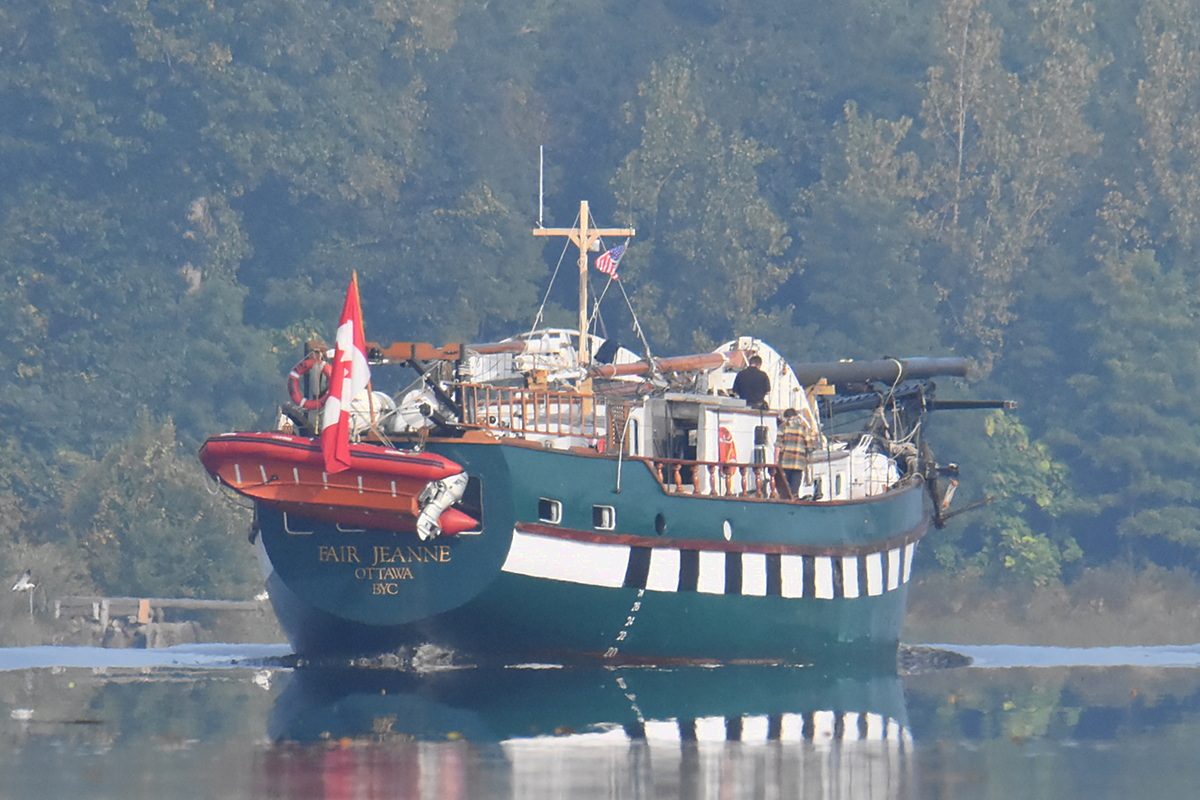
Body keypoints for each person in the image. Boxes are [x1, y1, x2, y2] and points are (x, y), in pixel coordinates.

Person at [776, 408, 823, 496]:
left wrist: (775, 460)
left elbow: (778, 445)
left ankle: (786, 499)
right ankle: (794, 497)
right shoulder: (803, 429)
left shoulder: (782, 427)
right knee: (795, 486)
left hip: (785, 462)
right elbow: (809, 446)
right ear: (796, 416)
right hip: (799, 462)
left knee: (786, 487)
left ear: (786, 417)